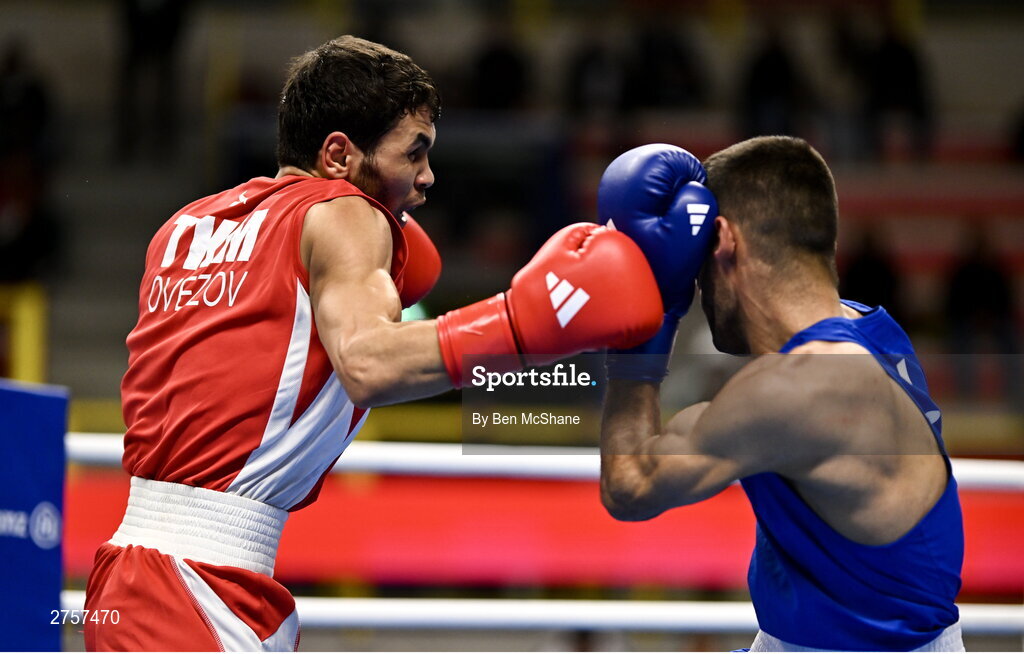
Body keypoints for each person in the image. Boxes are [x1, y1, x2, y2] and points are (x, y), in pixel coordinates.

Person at [83, 35, 665, 651]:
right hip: (198, 590)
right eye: (413, 152)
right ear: (338, 153)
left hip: (128, 575)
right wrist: (527, 325)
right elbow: (367, 362)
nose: (426, 177)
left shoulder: (185, 226)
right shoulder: (344, 213)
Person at [598, 136, 963, 652]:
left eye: (697, 263)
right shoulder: (870, 329)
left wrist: (645, 330)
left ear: (723, 241)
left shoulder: (804, 388)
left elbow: (630, 484)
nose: (696, 285)